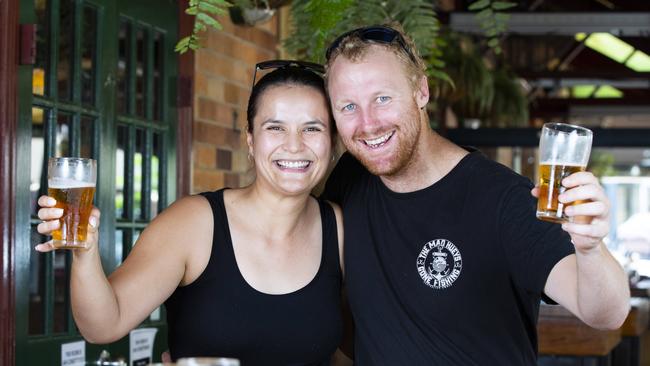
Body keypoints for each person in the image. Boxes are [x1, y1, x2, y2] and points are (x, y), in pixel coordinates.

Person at [321, 24, 630, 365]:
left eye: (382, 98)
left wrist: (590, 248)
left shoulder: (503, 199)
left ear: (421, 92)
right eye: (348, 106)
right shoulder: (349, 180)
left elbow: (606, 313)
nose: (367, 124)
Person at [36, 60, 347, 365]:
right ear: (251, 140)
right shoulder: (194, 224)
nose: (294, 145)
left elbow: (356, 347)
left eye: (312, 128)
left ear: (332, 141)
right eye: (275, 127)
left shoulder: (340, 227)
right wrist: (84, 253)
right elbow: (103, 325)